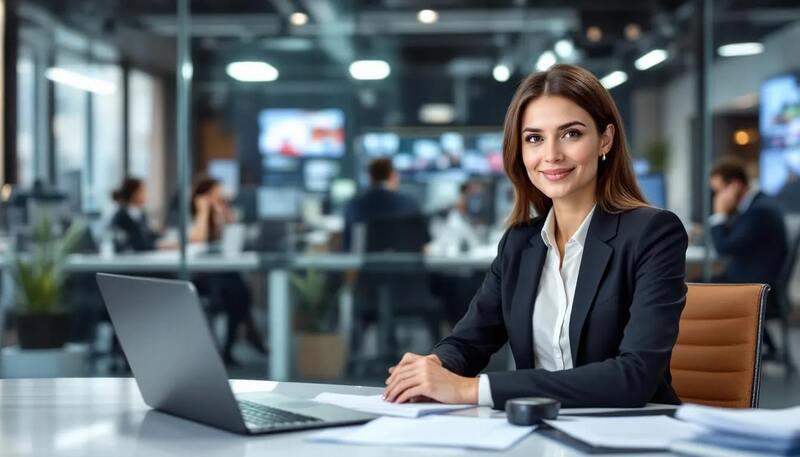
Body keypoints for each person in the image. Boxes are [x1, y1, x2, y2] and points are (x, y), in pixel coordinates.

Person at [383, 64, 688, 409]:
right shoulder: (520, 244)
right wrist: (434, 368)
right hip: (538, 434)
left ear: (605, 139)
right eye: (534, 138)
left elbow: (633, 377)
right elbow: (469, 341)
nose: (551, 154)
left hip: (630, 437)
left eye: (571, 134)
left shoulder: (652, 233)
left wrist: (471, 390)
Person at [708, 159, 787, 357]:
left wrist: (718, 214)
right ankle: (764, 348)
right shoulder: (757, 205)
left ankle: (722, 354)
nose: (717, 197)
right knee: (699, 284)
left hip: (755, 285)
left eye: (719, 191)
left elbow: (724, 247)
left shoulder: (759, 211)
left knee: (697, 289)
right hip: (748, 277)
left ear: (735, 185)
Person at [189, 177, 267, 365]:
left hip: (222, 271)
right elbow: (198, 239)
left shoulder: (219, 212)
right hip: (203, 274)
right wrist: (204, 209)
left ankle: (231, 346)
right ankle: (246, 337)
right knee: (238, 294)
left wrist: (224, 210)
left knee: (241, 294)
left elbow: (234, 233)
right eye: (216, 193)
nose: (220, 196)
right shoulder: (195, 214)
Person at [342, 158, 423, 252]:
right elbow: (422, 247)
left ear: (370, 177)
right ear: (393, 176)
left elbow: (349, 248)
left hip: (368, 265)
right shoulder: (410, 204)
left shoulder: (354, 207)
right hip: (404, 265)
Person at [110, 178, 158, 252]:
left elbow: (148, 235)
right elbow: (136, 244)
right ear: (133, 194)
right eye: (142, 191)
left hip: (142, 256)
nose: (145, 195)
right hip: (129, 259)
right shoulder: (121, 217)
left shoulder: (141, 213)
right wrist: (160, 246)